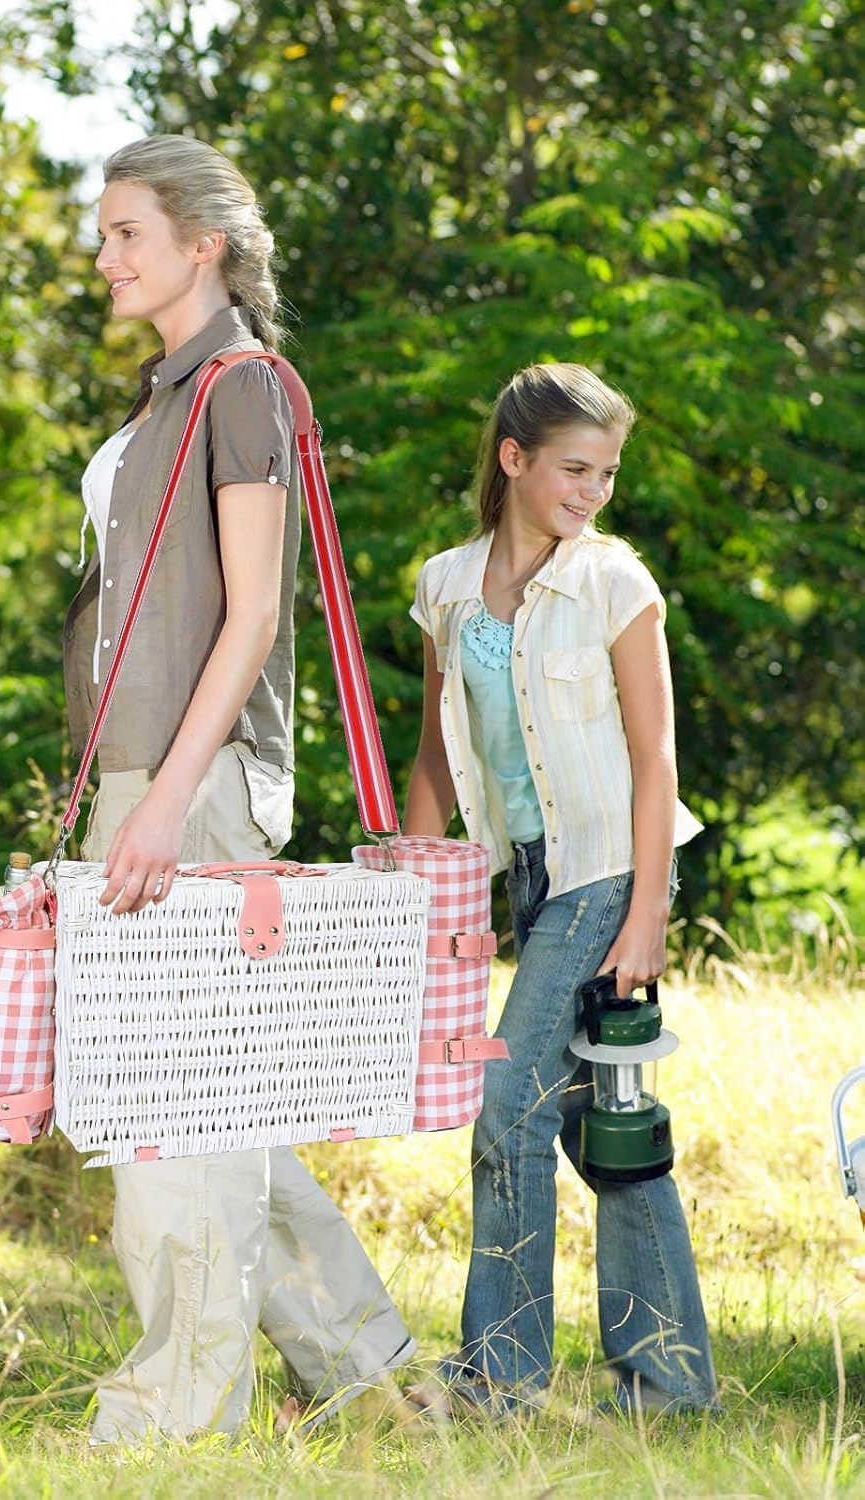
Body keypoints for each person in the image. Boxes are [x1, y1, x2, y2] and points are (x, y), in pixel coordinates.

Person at [65, 134, 415, 1445]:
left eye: (125, 233)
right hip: (151, 775)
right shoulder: (170, 395)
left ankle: (170, 1416)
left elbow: (258, 613)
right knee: (221, 1109)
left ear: (201, 243)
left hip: (191, 785)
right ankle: (379, 1383)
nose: (104, 257)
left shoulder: (244, 387)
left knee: (168, 1115)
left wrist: (164, 799)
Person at [400, 363, 718, 1420]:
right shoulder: (448, 585)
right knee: (606, 1130)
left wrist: (648, 914)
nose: (593, 492)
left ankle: (500, 1378)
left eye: (608, 474)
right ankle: (671, 1384)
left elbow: (656, 757)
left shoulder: (613, 583)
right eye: (575, 469)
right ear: (513, 459)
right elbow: (439, 755)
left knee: (508, 1108)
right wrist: (415, 886)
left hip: (606, 872)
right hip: (527, 882)